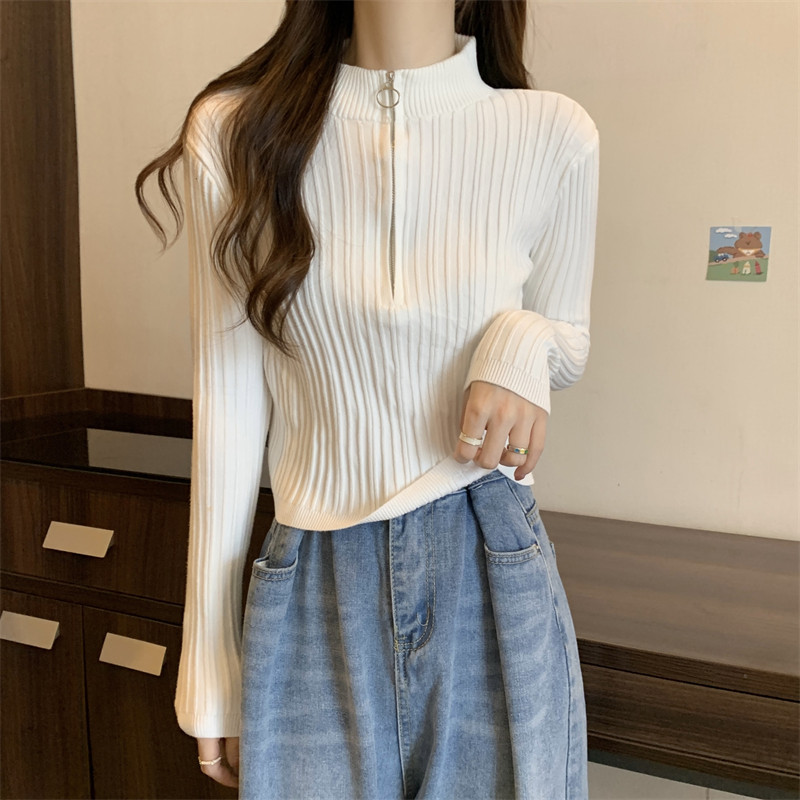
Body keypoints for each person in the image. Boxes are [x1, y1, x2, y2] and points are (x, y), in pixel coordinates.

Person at [136, 0, 599, 797]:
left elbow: (568, 338)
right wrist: (210, 662)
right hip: (313, 574)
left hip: (489, 560)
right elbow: (228, 408)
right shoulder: (236, 131)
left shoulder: (554, 132)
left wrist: (519, 341)